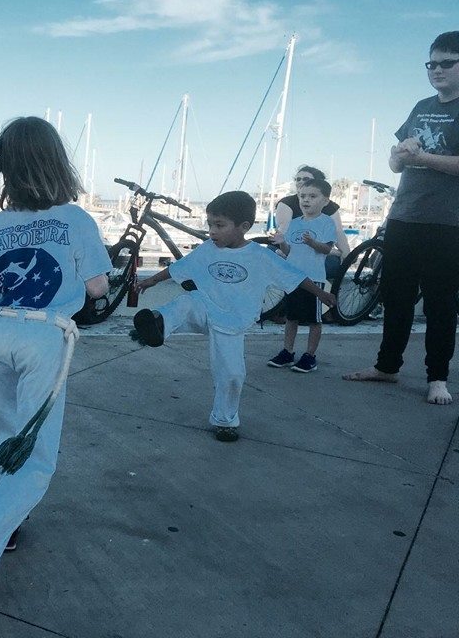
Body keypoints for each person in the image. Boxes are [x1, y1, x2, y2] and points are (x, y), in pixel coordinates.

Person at [0, 117, 111, 627]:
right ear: (57, 164)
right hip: (45, 336)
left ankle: (7, 525)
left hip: (0, 335)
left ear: (5, 169)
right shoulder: (75, 219)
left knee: (7, 432)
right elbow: (98, 287)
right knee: (36, 457)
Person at [130, 191, 336, 442]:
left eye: (219, 225)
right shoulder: (207, 249)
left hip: (231, 323)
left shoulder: (260, 256)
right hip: (204, 308)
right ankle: (157, 325)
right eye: (209, 225)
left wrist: (320, 294)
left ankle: (225, 421)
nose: (212, 232)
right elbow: (177, 269)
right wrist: (149, 281)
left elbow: (294, 275)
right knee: (185, 303)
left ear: (244, 227)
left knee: (232, 375)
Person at [344, 31, 459, 405]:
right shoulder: (421, 105)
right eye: (431, 64)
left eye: (446, 63)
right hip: (404, 217)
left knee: (441, 304)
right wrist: (400, 152)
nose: (436, 70)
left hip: (447, 223)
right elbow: (396, 164)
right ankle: (387, 367)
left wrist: (424, 158)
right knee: (396, 298)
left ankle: (437, 378)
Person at [267, 178, 337, 372]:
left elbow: (326, 249)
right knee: (291, 317)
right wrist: (281, 242)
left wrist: (312, 243)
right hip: (293, 278)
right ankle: (287, 352)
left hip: (313, 279)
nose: (306, 200)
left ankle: (310, 356)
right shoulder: (294, 223)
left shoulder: (326, 223)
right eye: (302, 196)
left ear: (325, 201)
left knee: (314, 320)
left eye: (313, 196)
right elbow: (290, 252)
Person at [274, 164, 350, 270]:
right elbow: (284, 229)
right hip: (288, 249)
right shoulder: (287, 203)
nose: (300, 181)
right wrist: (335, 252)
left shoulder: (328, 205)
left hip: (318, 252)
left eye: (305, 179)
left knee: (333, 264)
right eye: (298, 179)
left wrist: (347, 254)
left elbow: (338, 232)